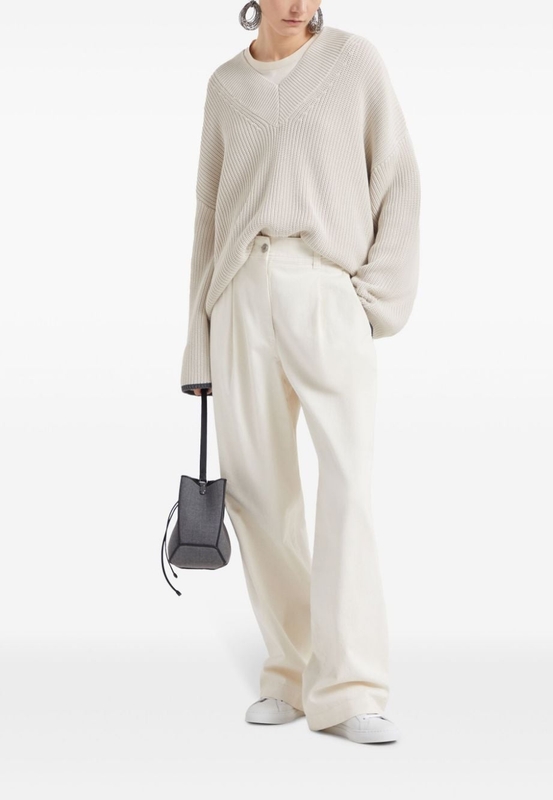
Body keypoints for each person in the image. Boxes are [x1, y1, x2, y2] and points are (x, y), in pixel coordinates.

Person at [179, 0, 420, 745]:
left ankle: (350, 689)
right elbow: (208, 216)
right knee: (259, 495)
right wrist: (198, 343)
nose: (298, 4)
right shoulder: (225, 87)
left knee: (346, 483)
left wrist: (375, 299)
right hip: (239, 294)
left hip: (326, 287)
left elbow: (398, 179)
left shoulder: (354, 61)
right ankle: (289, 671)